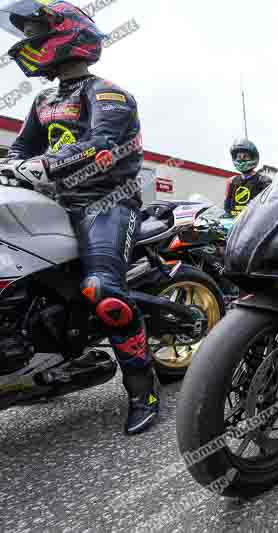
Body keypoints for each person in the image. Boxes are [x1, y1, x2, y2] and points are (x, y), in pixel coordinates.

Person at [0, 1, 158, 434]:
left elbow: (102, 146)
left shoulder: (108, 94)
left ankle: (143, 391)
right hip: (53, 204)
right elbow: (20, 149)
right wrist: (17, 165)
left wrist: (44, 166)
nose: (28, 40)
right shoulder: (43, 100)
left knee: (102, 290)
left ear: (66, 35)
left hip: (105, 202)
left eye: (34, 30)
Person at [224, 138, 272, 218]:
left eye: (245, 156)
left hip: (252, 224)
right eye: (238, 156)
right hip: (233, 223)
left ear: (253, 157)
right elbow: (227, 206)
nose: (241, 159)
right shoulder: (231, 181)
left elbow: (268, 206)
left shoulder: (263, 181)